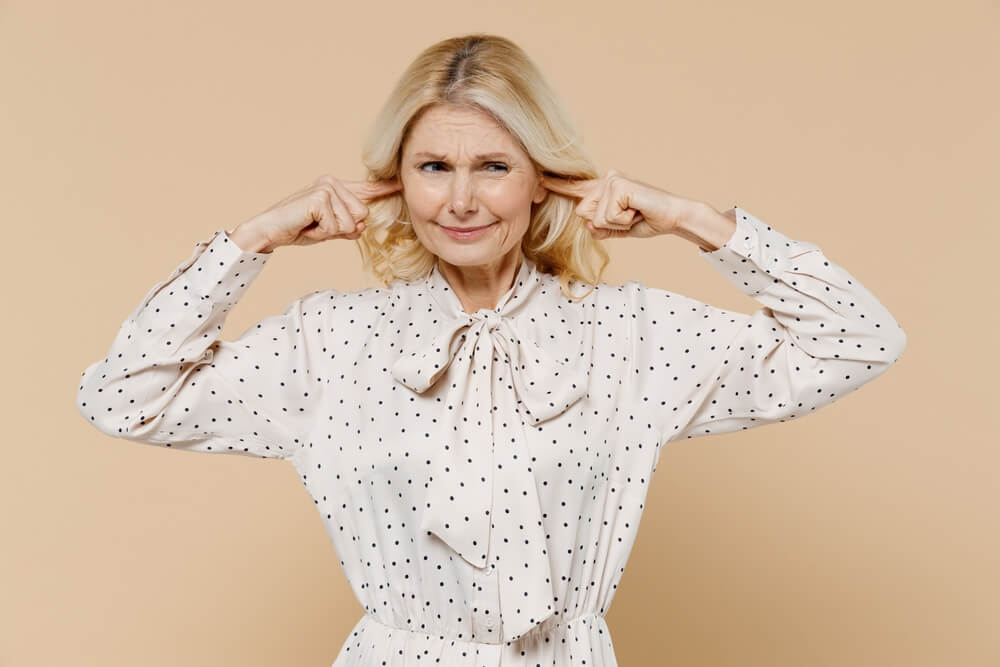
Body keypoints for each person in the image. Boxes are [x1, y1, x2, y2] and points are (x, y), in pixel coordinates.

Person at [75, 33, 907, 667]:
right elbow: (122, 397)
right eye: (434, 165)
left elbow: (860, 337)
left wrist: (692, 219)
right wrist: (250, 241)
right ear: (397, 179)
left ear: (543, 176)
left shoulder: (629, 337)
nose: (462, 199)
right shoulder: (331, 341)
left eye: (494, 165)